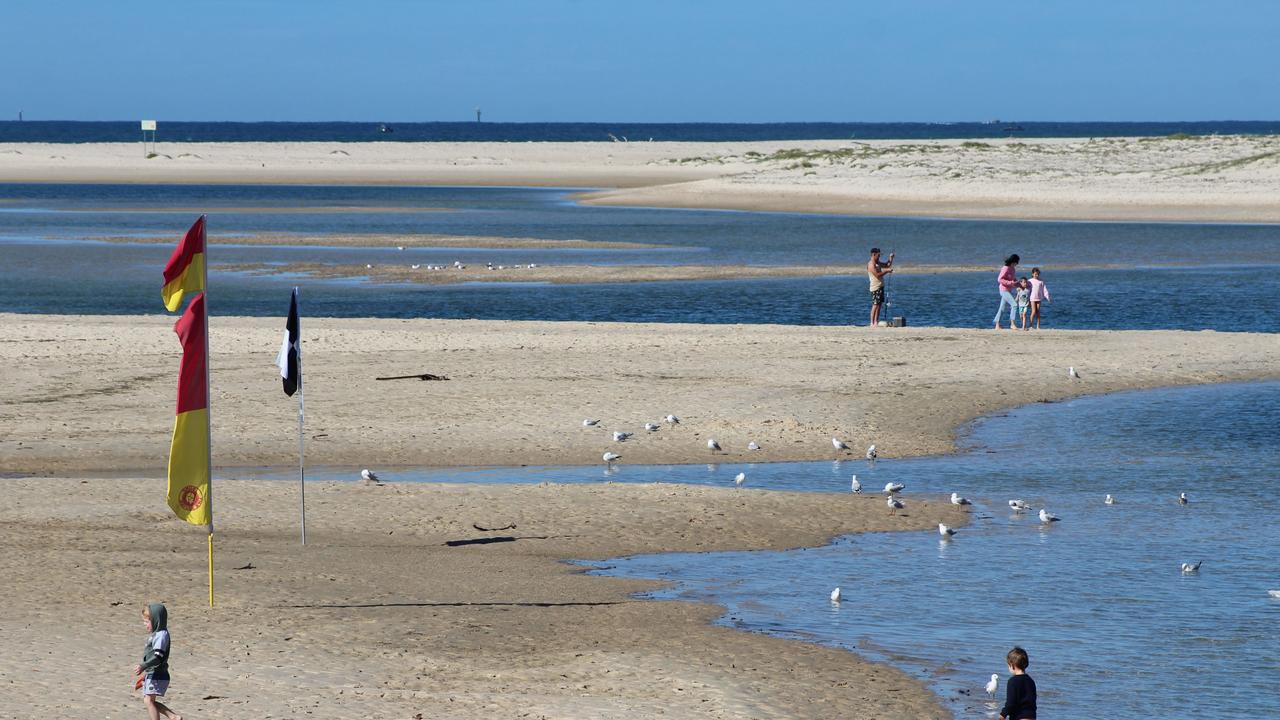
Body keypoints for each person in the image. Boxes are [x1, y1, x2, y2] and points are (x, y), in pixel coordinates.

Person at [135, 603, 182, 720]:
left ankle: (173, 716)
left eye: (147, 621)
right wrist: (146, 675)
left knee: (149, 701)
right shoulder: (156, 634)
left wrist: (143, 666)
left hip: (158, 673)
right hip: (153, 673)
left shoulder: (161, 635)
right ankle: (173, 717)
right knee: (149, 701)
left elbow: (158, 657)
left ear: (156, 620)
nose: (144, 624)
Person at [999, 646, 1037, 720]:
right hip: (1031, 716)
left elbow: (1010, 703)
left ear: (1012, 665)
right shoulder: (1030, 681)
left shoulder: (1012, 681)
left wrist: (1003, 714)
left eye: (1008, 665)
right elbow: (1033, 699)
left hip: (1018, 717)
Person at [867, 247, 894, 327]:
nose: (879, 257)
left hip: (880, 286)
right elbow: (877, 275)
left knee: (879, 305)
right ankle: (872, 323)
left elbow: (887, 265)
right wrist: (886, 271)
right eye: (878, 255)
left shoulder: (877, 262)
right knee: (875, 305)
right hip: (875, 287)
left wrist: (891, 258)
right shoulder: (871, 264)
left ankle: (876, 321)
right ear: (873, 254)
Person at [994, 254, 1020, 329]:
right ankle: (1012, 323)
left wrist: (1018, 284)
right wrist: (1010, 283)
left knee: (1002, 307)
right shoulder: (1005, 268)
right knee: (1014, 304)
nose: (1016, 264)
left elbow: (1013, 279)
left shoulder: (1013, 269)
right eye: (1016, 262)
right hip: (1003, 290)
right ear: (1013, 261)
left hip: (1009, 290)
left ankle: (997, 325)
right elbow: (999, 279)